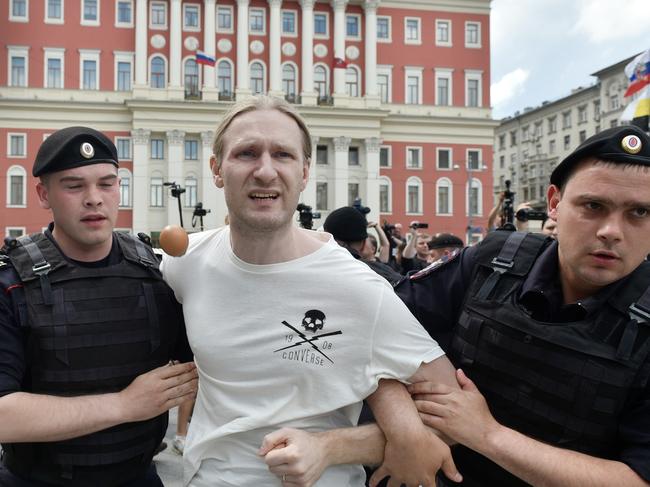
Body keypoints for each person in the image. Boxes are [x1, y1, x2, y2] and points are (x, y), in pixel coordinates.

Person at [160, 96, 462, 487]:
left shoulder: (357, 287)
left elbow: (454, 416)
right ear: (217, 170)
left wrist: (332, 447)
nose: (265, 171)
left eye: (282, 155)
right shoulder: (188, 262)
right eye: (247, 153)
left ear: (304, 172)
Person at [396, 125, 650, 486]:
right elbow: (381, 322)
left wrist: (488, 435)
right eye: (593, 206)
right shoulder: (493, 261)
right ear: (554, 204)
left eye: (639, 213)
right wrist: (401, 427)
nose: (612, 230)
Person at [0, 127, 198, 486]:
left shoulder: (155, 272)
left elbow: (206, 361)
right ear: (44, 194)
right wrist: (124, 405)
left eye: (106, 184)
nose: (94, 199)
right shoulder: (11, 282)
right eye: (74, 186)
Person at [323, 206, 403, 285]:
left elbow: (386, 245)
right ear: (363, 243)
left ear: (373, 249)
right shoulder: (369, 274)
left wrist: (377, 226)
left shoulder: (379, 266)